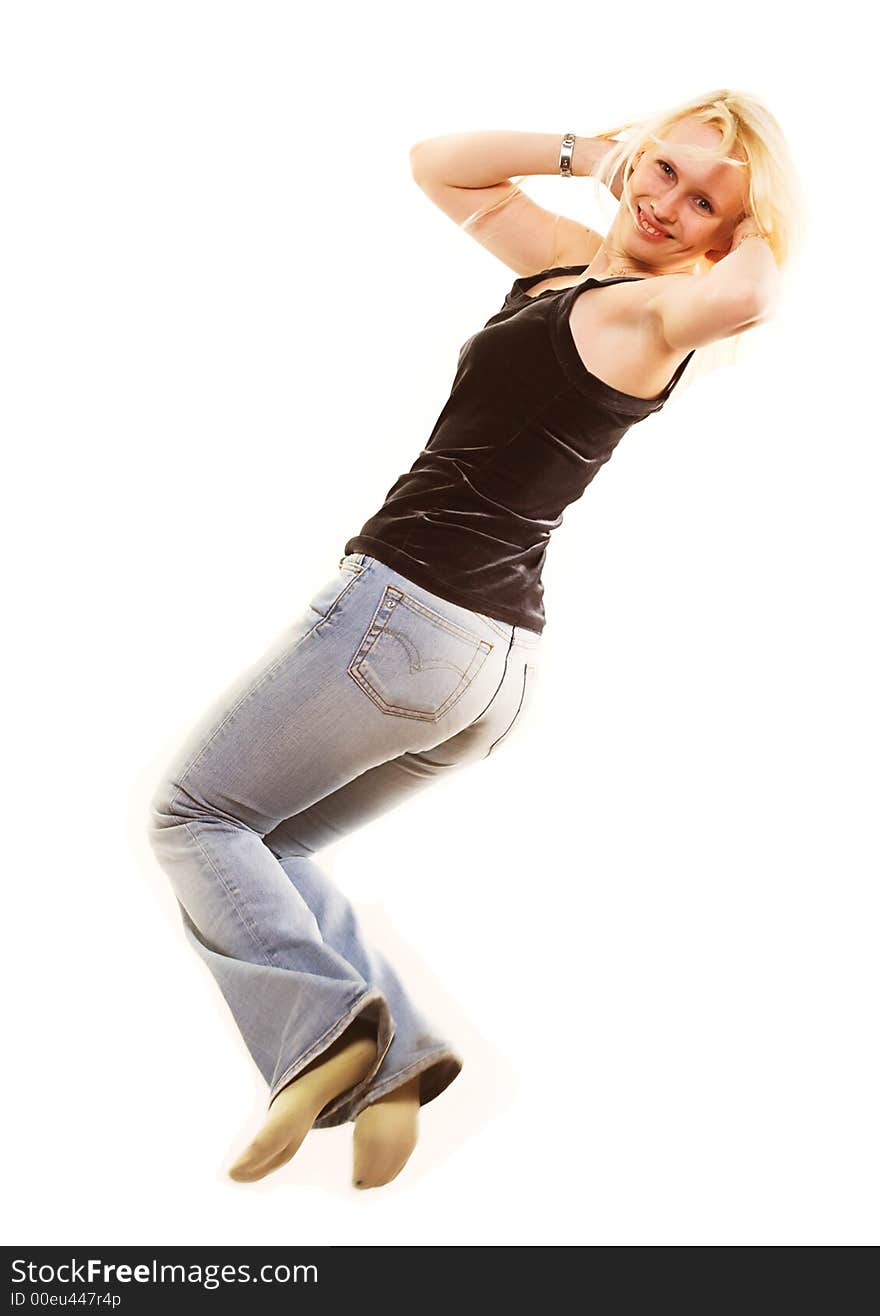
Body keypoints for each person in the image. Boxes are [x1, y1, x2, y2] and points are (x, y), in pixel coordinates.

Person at [146, 88, 800, 1191]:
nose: (668, 203)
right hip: (483, 668)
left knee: (195, 816)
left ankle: (326, 1039)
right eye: (664, 171)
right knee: (273, 843)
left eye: (703, 205)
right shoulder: (564, 268)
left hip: (405, 616)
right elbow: (436, 163)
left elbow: (760, 292)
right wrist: (592, 155)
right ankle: (390, 1063)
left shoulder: (649, 317)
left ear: (725, 238)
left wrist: (756, 222)